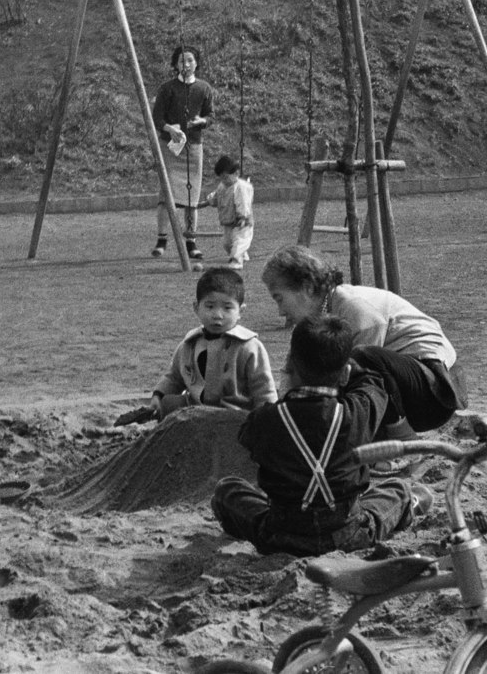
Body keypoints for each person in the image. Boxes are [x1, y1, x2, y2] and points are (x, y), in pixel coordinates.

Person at [210, 316, 429, 557]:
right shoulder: (357, 412)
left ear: (290, 366)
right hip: (348, 534)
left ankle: (236, 526)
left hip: (279, 536)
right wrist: (348, 370)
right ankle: (412, 505)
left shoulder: (265, 420)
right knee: (398, 489)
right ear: (344, 374)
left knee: (226, 491)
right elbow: (375, 384)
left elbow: (247, 437)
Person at [260, 244, 464, 438]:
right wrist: (282, 413)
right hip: (405, 391)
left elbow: (358, 381)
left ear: (306, 288)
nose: (280, 311)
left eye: (279, 298)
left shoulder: (353, 306)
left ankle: (404, 440)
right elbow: (292, 370)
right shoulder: (315, 321)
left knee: (360, 361)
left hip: (436, 392)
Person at [148, 267, 277, 420]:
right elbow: (174, 377)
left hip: (234, 415)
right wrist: (158, 395)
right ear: (196, 308)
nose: (217, 315)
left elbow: (263, 389)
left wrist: (266, 419)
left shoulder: (249, 347)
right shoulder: (189, 344)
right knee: (168, 402)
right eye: (210, 306)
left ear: (241, 311)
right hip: (196, 410)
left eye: (227, 308)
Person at [150, 44, 213, 260]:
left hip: (194, 146)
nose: (185, 65)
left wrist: (201, 121)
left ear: (196, 63)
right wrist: (170, 129)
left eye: (189, 61)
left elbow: (210, 116)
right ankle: (162, 238)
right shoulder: (167, 89)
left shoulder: (204, 88)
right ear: (175, 65)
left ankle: (191, 241)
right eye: (181, 61)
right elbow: (157, 118)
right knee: (166, 194)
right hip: (170, 147)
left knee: (191, 195)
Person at [200, 154, 255, 269]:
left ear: (236, 173)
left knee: (239, 240)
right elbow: (216, 197)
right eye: (221, 178)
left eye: (225, 177)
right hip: (228, 221)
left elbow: (243, 203)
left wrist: (243, 217)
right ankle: (242, 254)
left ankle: (236, 261)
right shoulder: (222, 186)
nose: (223, 180)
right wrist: (206, 203)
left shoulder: (240, 187)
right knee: (227, 244)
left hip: (242, 222)